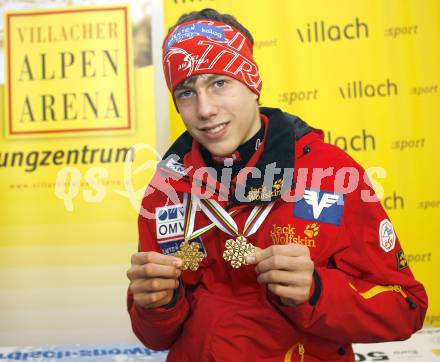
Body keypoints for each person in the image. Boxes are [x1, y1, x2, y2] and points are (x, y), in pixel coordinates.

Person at [126, 8, 428, 362]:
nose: (204, 109)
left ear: (252, 83)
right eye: (186, 92)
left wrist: (317, 291)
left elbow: (406, 306)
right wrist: (157, 304)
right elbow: (155, 336)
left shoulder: (330, 173)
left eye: (219, 83)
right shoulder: (166, 188)